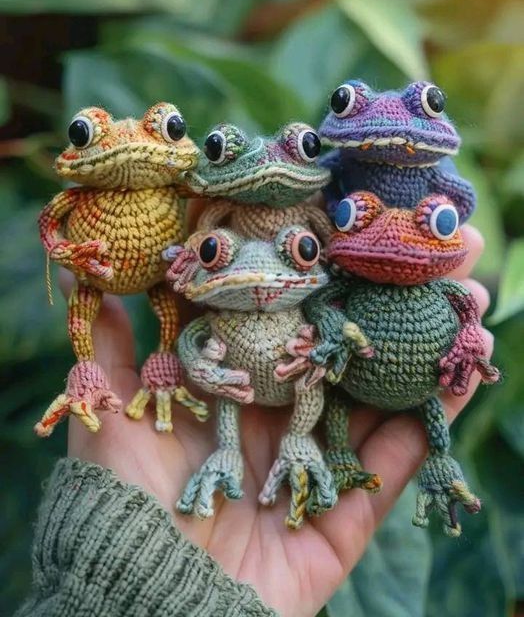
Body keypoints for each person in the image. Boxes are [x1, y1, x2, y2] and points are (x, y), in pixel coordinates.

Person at [15, 224, 491, 617]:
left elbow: (328, 322)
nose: (260, 276)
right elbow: (190, 344)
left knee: (314, 386)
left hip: (303, 398)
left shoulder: (315, 309)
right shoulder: (215, 318)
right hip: (232, 403)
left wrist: (329, 342)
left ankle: (299, 443)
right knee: (231, 399)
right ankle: (228, 451)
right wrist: (201, 368)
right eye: (213, 250)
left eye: (303, 250)